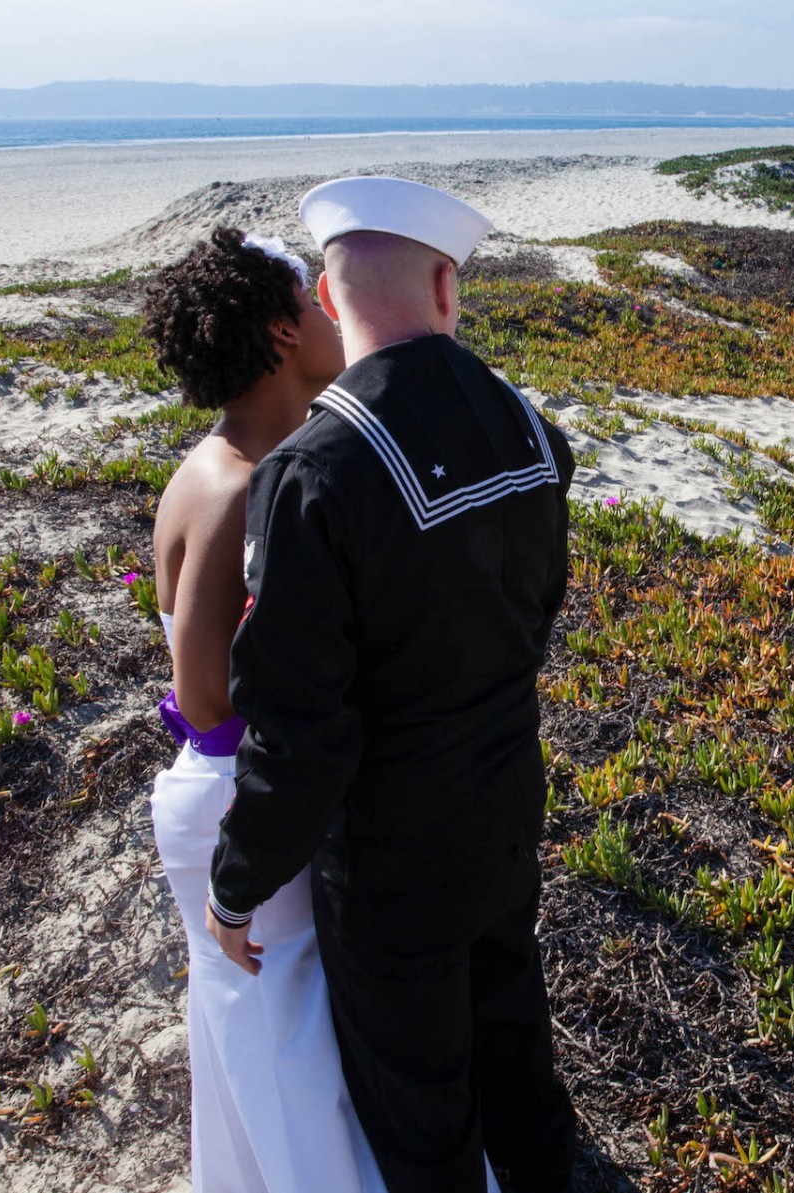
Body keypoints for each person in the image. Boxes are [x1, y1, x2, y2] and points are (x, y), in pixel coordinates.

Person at [206, 177, 579, 1193]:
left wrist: (237, 879)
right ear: (447, 287)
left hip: (393, 854)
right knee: (514, 1042)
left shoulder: (314, 469)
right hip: (507, 801)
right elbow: (536, 611)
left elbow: (299, 728)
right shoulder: (528, 426)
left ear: (330, 300)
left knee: (421, 1114)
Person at [144, 227, 387, 1193]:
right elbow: (206, 694)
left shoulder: (231, 461)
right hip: (236, 792)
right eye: (313, 301)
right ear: (285, 333)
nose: (334, 315)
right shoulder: (241, 483)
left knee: (257, 1036)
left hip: (226, 790)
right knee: (289, 1051)